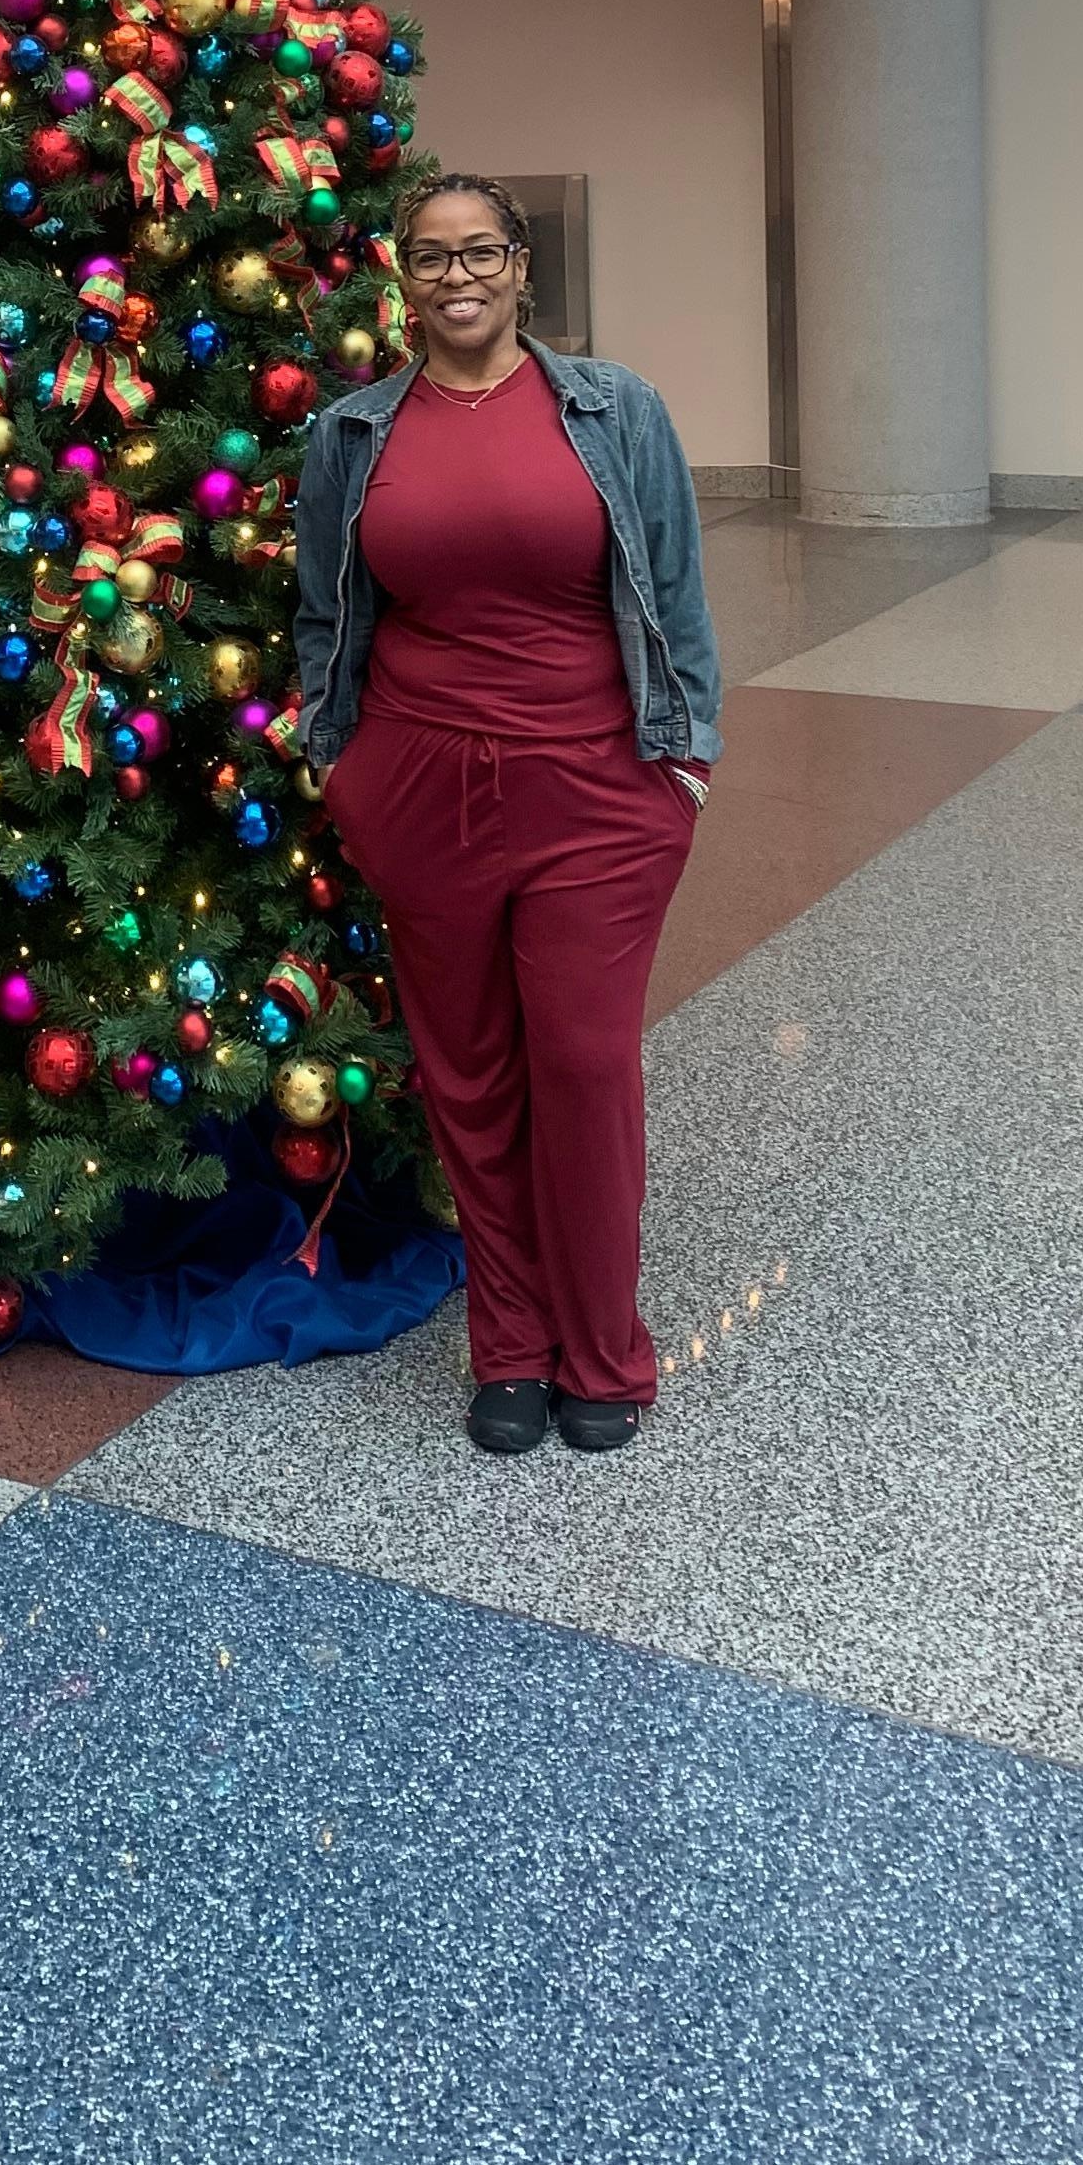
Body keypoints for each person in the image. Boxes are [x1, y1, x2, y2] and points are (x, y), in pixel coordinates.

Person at [294, 174, 721, 1458]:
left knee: (582, 1065)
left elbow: (679, 591)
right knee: (470, 1077)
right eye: (431, 258)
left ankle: (605, 1351)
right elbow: (326, 614)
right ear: (402, 277)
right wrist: (340, 764)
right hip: (421, 789)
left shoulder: (614, 408)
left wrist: (684, 758)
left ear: (522, 266)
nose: (457, 277)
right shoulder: (352, 436)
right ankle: (513, 1351)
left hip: (598, 781)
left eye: (481, 251)